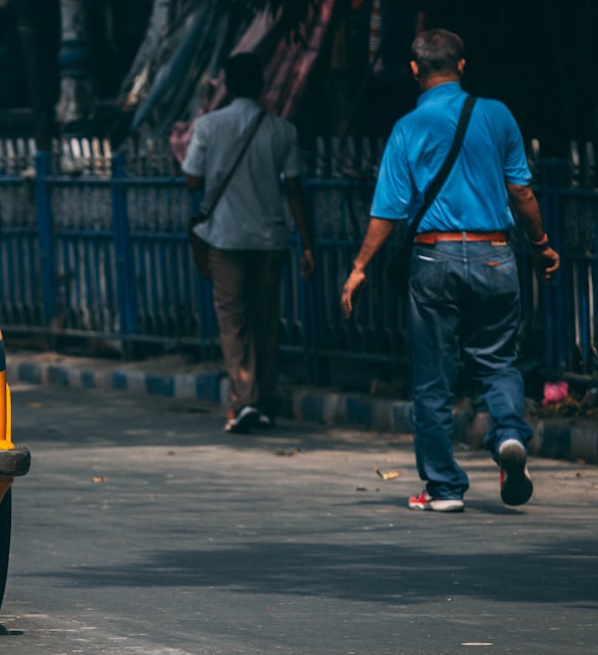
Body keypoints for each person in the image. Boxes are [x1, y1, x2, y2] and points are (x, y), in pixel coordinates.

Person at [340, 29, 560, 512]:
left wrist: (359, 269)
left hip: (433, 258)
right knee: (498, 360)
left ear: (414, 70)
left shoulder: (407, 128)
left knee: (433, 377)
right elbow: (521, 193)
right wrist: (542, 246)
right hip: (496, 254)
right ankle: (506, 436)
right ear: (462, 66)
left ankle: (443, 488)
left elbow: (388, 213)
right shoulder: (497, 115)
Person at [182, 51, 316, 434]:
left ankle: (244, 402)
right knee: (265, 320)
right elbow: (294, 190)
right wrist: (308, 245)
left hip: (225, 238)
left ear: (227, 84)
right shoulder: (282, 130)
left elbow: (191, 181)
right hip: (270, 238)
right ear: (261, 84)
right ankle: (266, 401)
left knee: (233, 321)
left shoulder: (208, 126)